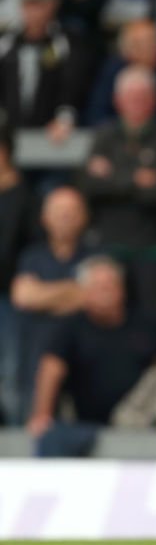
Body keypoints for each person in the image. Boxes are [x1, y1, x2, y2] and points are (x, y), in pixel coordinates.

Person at [27, 256, 156, 457]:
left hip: (141, 425)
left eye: (110, 285)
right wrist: (42, 414)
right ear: (84, 293)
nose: (105, 291)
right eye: (98, 286)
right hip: (85, 426)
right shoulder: (70, 327)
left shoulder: (145, 326)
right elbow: (51, 368)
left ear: (122, 289)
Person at [78, 66, 156, 319]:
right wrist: (137, 177)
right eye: (131, 97)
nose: (136, 103)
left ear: (155, 101)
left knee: (151, 318)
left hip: (152, 248)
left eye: (143, 97)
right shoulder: (104, 135)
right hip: (108, 244)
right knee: (104, 315)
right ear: (117, 101)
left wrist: (114, 175)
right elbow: (88, 186)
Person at [10, 187, 92, 426]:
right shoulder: (32, 257)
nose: (65, 217)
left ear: (85, 216)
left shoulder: (94, 254)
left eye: (71, 211)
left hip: (83, 360)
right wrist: (71, 292)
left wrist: (44, 295)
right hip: (35, 353)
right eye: (59, 211)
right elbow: (23, 296)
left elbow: (92, 296)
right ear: (44, 218)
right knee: (30, 421)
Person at [0, 0, 89, 145]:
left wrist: (64, 118)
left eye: (40, 4)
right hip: (8, 132)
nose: (34, 12)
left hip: (50, 133)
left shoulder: (66, 42)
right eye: (28, 4)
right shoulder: (7, 42)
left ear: (53, 3)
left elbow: (72, 84)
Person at [84, 18, 156, 128]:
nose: (152, 47)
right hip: (118, 137)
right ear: (127, 49)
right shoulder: (113, 70)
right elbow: (97, 113)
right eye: (142, 44)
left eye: (154, 41)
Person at [0, 130, 34, 424]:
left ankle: (14, 436)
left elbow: (29, 249)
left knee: (12, 374)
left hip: (9, 297)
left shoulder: (24, 197)